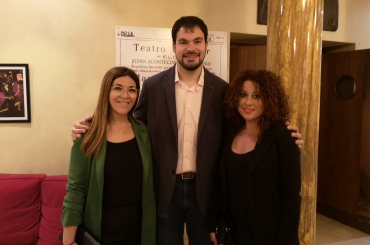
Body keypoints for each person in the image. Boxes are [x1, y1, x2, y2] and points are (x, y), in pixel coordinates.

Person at [71, 16, 303, 245]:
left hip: (206, 192)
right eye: (183, 42)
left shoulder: (223, 90)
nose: (190, 48)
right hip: (164, 191)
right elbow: (131, 124)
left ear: (206, 46)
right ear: (174, 46)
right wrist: (93, 125)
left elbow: (242, 128)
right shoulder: (153, 87)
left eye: (197, 41)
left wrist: (282, 133)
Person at [61, 67, 156, 245]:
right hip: (100, 232)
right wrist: (68, 241)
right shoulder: (88, 135)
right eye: (118, 88)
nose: (125, 95)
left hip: (139, 232)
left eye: (132, 90)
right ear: (106, 91)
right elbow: (75, 190)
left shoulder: (144, 133)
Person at [208, 69, 301, 245]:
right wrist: (213, 221)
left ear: (269, 100)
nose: (248, 102)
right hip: (235, 233)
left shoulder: (282, 137)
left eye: (256, 96)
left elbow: (291, 196)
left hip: (270, 235)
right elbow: (219, 184)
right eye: (243, 95)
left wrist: (286, 240)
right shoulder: (230, 135)